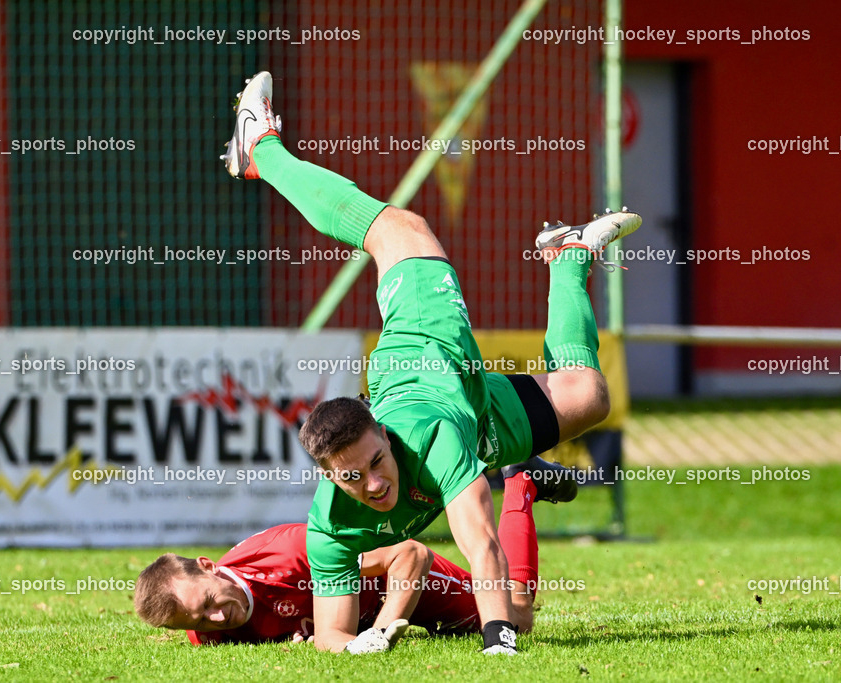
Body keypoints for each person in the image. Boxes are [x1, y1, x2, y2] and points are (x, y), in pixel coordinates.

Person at [219, 71, 641, 655]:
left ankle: (260, 148)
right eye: (350, 476)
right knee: (589, 396)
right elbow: (331, 634)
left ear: (384, 437)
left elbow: (478, 539)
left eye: (374, 461)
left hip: (427, 350)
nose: (372, 482)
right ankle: (567, 257)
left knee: (403, 229)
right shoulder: (330, 527)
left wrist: (499, 640)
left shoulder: (430, 439)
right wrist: (360, 646)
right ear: (327, 478)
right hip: (478, 416)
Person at [134, 461, 551, 652]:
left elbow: (411, 555)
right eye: (198, 620)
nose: (217, 620)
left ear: (209, 566)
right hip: (364, 614)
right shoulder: (196, 622)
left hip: (402, 585)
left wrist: (380, 634)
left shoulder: (292, 551)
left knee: (518, 617)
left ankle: (521, 483)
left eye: (209, 605)